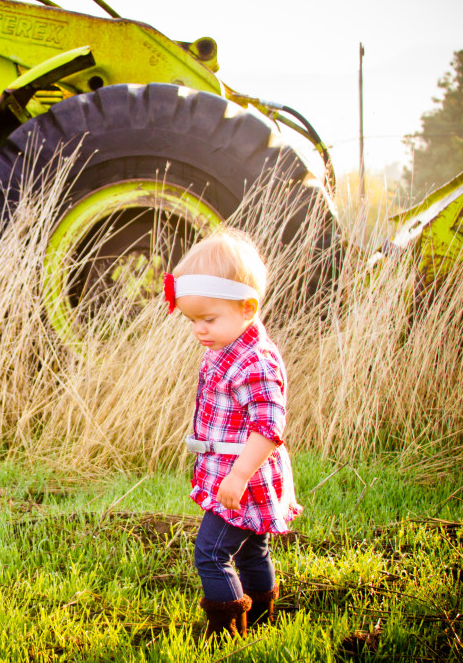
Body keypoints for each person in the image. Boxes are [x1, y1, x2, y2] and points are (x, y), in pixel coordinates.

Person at [163, 228, 301, 640]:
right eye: (192, 320)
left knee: (211, 553)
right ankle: (261, 619)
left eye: (208, 319)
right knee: (254, 547)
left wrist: (239, 476)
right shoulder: (227, 348)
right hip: (233, 468)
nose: (198, 330)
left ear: (247, 308)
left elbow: (269, 426)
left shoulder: (254, 361)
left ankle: (227, 632)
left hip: (242, 474)